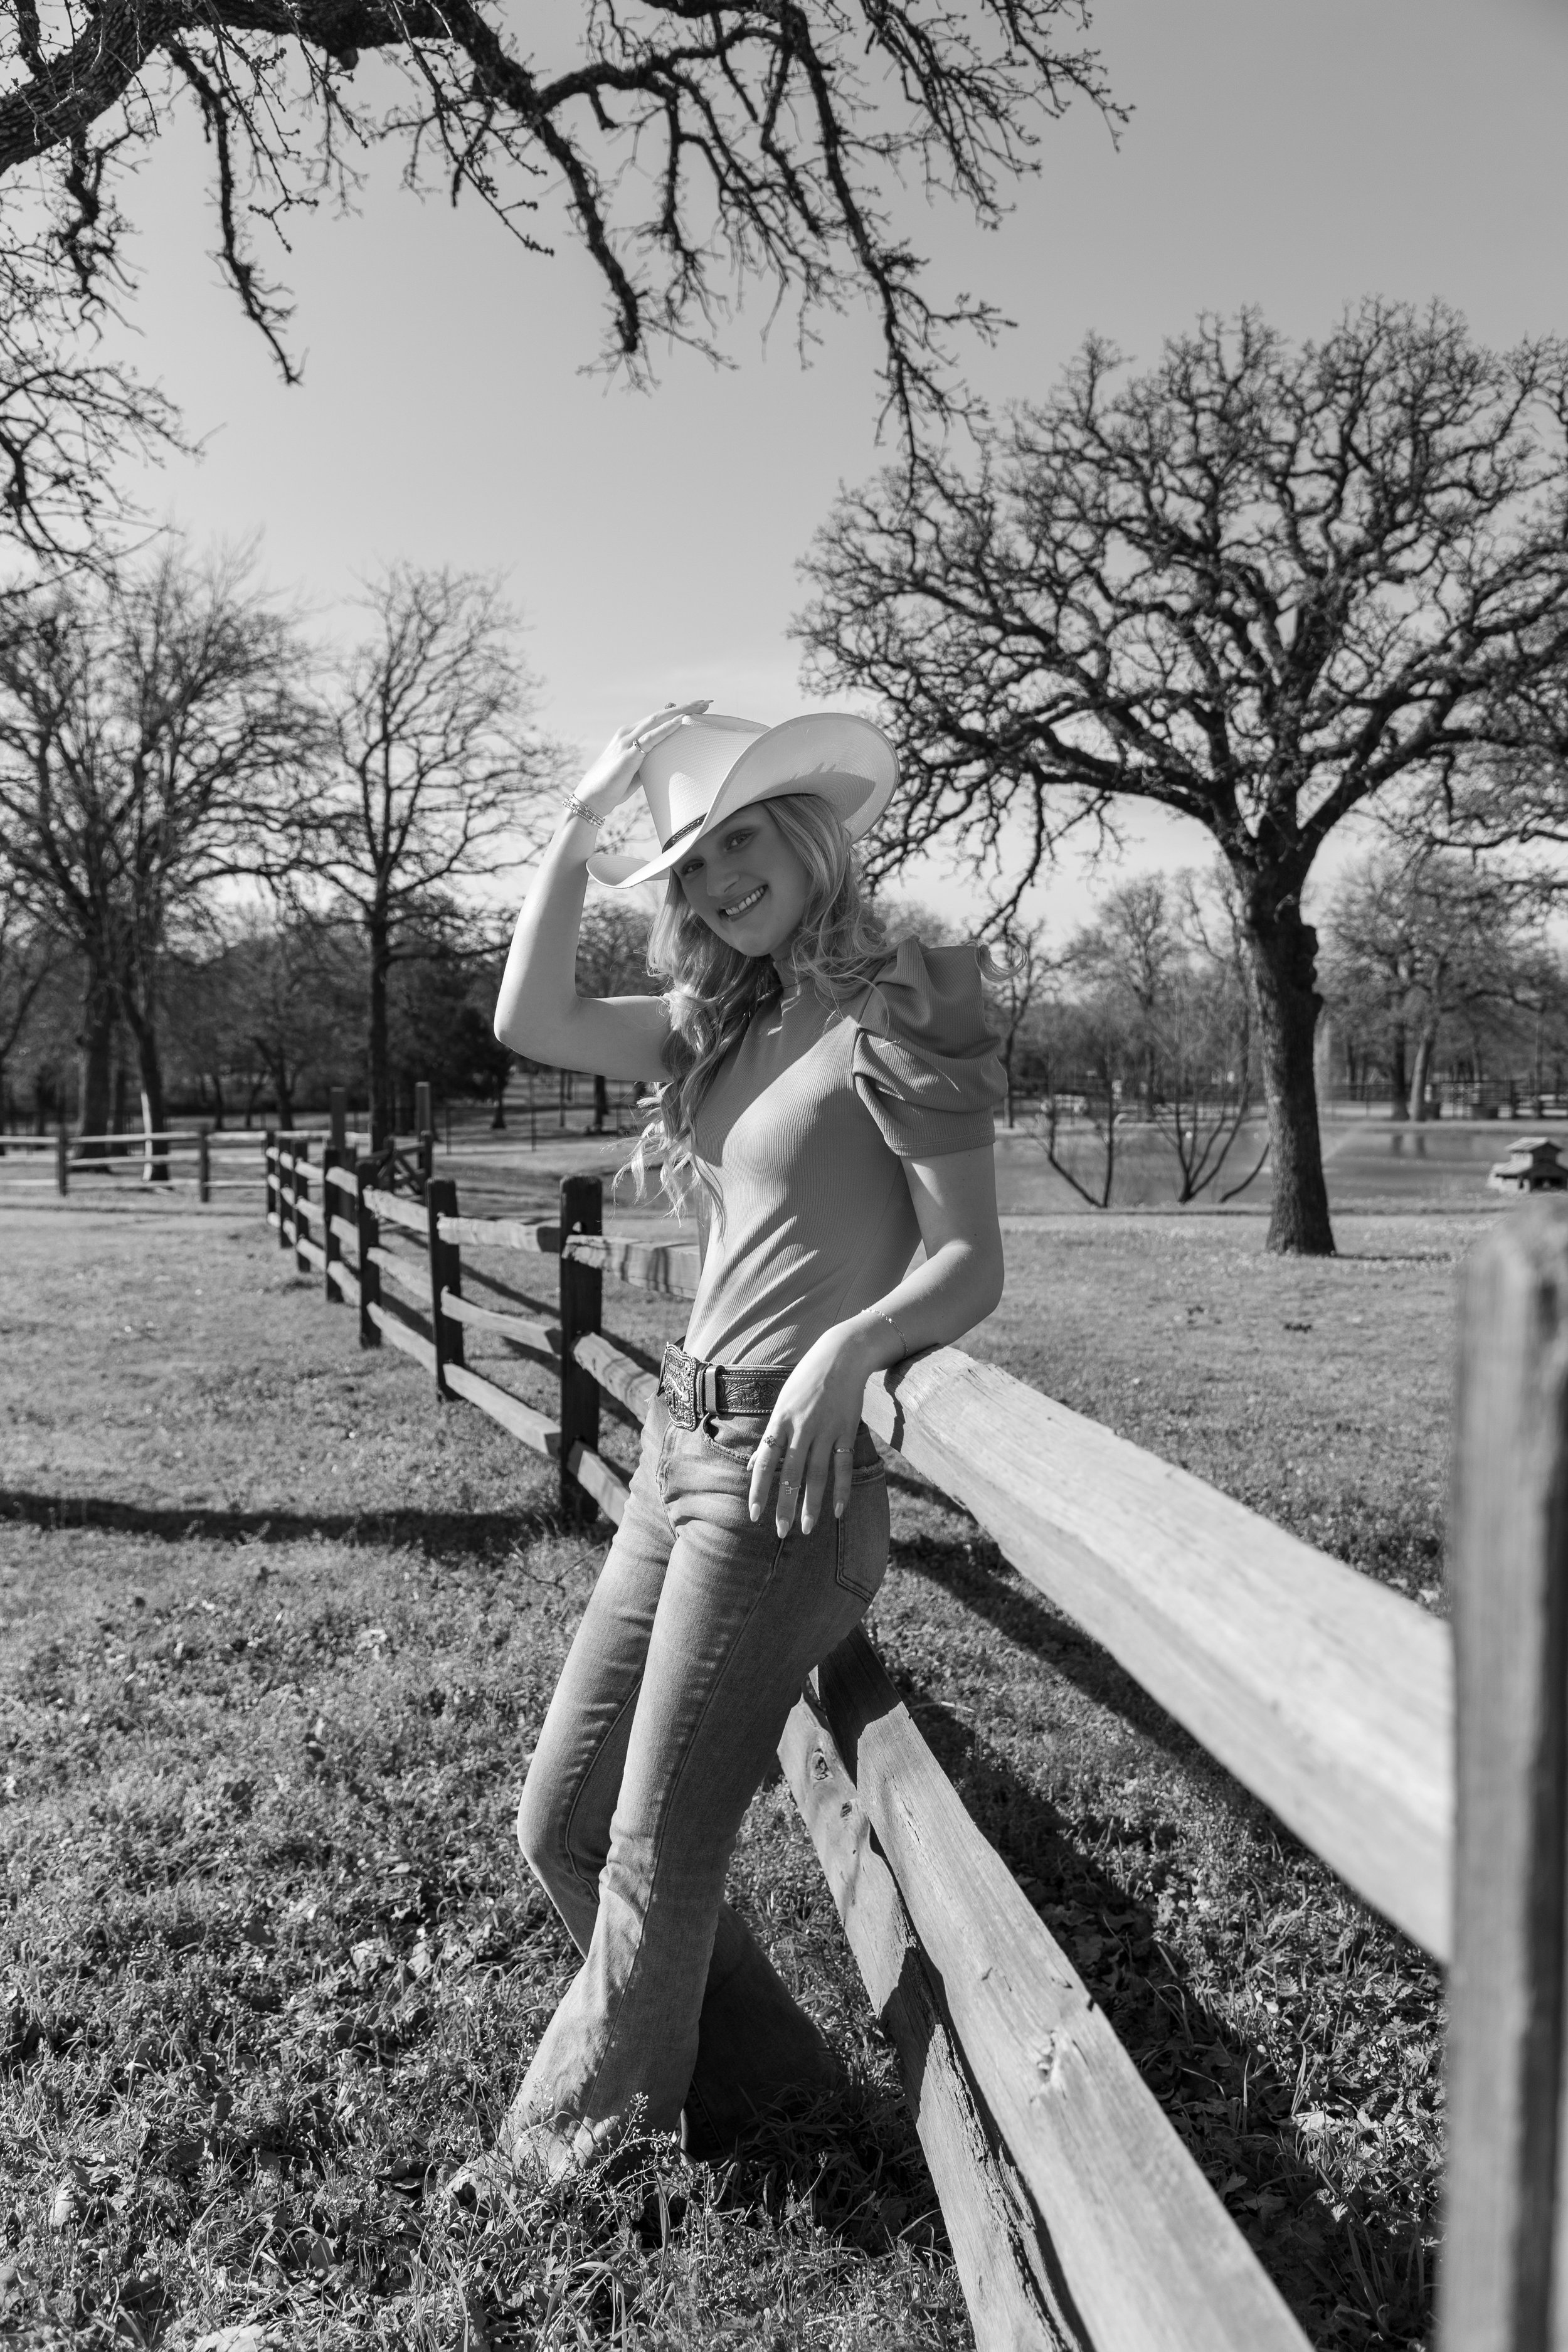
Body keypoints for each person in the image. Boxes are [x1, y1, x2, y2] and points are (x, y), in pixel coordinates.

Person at [470, 701, 1006, 2188]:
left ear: (810, 834)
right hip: (675, 1450)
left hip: (780, 1480)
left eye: (736, 845)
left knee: (654, 1851)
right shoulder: (724, 1018)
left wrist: (848, 1347)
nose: (712, 888)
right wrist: (577, 825)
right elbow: (527, 1019)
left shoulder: (901, 1002)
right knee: (561, 1825)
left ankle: (566, 2172)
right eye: (688, 869)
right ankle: (769, 2099)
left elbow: (967, 1261)